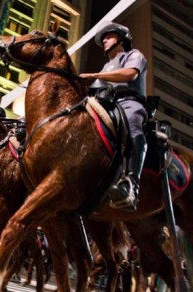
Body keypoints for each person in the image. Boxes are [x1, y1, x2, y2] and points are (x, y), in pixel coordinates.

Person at [80, 22, 148, 211]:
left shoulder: (134, 55)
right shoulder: (105, 67)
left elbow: (129, 75)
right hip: (105, 104)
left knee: (132, 124)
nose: (104, 41)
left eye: (108, 37)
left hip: (129, 102)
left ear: (121, 39)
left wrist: (94, 74)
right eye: (103, 40)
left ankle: (131, 184)